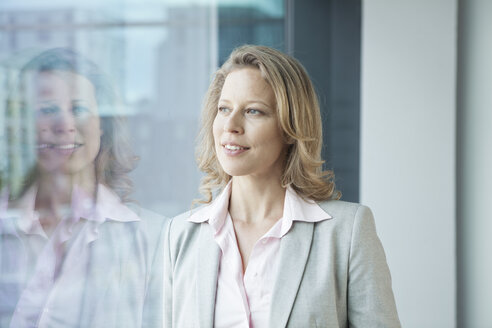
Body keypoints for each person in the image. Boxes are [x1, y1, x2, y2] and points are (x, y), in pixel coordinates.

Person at [164, 45, 401, 327]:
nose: (231, 125)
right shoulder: (179, 235)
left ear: (291, 128)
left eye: (253, 111)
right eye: (224, 109)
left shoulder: (346, 232)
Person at [0, 48, 167, 327]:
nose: (65, 124)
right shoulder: (6, 223)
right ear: (22, 125)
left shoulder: (152, 239)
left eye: (78, 109)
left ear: (102, 124)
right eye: (47, 109)